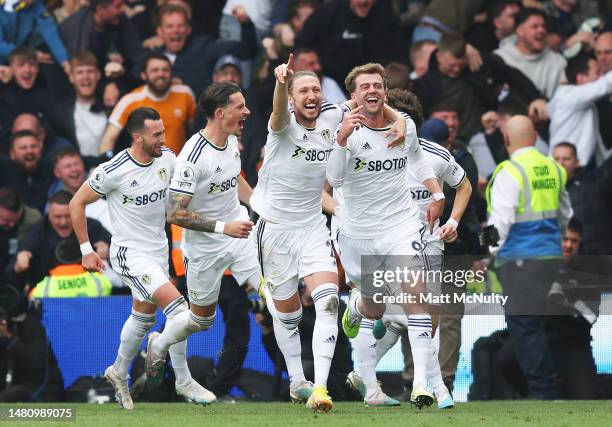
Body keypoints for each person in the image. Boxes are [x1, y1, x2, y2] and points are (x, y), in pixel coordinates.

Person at [69, 107, 213, 409]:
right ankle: (183, 380)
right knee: (179, 311)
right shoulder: (114, 169)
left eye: (163, 131)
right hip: (129, 254)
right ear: (137, 137)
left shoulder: (168, 159)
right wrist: (86, 250)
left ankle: (118, 372)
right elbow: (76, 202)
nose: (163, 138)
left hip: (158, 251)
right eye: (156, 134)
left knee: (144, 317)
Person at [326, 62, 445, 408]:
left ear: (384, 91)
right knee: (374, 309)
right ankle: (358, 308)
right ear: (354, 95)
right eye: (365, 87)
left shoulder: (403, 125)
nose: (372, 91)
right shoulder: (344, 127)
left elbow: (419, 163)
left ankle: (422, 384)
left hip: (399, 225)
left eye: (377, 85)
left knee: (416, 292)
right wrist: (342, 140)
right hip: (358, 232)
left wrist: (436, 193)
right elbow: (335, 179)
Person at [345, 88, 472, 409]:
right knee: (413, 314)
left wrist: (453, 221)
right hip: (386, 242)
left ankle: (365, 368)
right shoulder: (368, 152)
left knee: (422, 319)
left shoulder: (434, 155)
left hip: (429, 246)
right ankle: (432, 388)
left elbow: (465, 185)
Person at [249, 54, 353, 412]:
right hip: (275, 231)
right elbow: (278, 112)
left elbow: (368, 100)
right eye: (303, 91)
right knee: (288, 315)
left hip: (311, 227)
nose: (312, 95)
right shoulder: (281, 125)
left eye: (316, 89)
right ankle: (296, 380)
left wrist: (394, 118)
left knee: (327, 300)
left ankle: (320, 387)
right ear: (292, 98)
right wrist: (280, 82)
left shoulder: (331, 115)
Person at [145, 82, 260, 400]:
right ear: (221, 113)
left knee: (273, 291)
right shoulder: (192, 156)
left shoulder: (233, 141)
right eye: (240, 106)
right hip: (207, 247)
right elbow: (175, 214)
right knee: (201, 320)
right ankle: (161, 343)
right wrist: (225, 227)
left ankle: (303, 384)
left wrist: (260, 206)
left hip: (239, 238)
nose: (247, 112)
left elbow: (233, 178)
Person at [486, 115, 573, 399]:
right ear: (535, 137)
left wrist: (488, 255)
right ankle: (545, 385)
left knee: (524, 326)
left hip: (519, 260)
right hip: (550, 257)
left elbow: (500, 223)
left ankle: (544, 389)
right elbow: (565, 215)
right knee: (533, 324)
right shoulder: (554, 168)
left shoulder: (510, 171)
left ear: (507, 140)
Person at [6, 190, 110, 294]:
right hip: (48, 300)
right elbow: (11, 277)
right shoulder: (37, 232)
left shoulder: (92, 227)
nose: (63, 222)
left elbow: (122, 254)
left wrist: (109, 252)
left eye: (68, 216)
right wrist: (18, 266)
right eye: (58, 217)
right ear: (49, 214)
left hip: (87, 298)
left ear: (77, 213)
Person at [99, 52, 196, 156]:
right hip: (143, 168)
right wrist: (108, 166)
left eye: (165, 70)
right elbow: (108, 139)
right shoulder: (130, 100)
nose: (161, 74)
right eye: (155, 70)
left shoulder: (185, 94)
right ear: (143, 75)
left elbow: (197, 131)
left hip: (177, 166)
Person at [153, 3, 257, 96]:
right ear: (160, 31)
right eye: (170, 26)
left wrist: (246, 24)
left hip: (203, 113)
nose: (176, 30)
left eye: (180, 26)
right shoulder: (153, 58)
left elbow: (246, 50)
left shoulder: (204, 47)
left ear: (188, 29)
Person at [548, 51, 612, 166]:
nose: (602, 75)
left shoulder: (569, 96)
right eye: (597, 72)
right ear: (581, 78)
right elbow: (605, 84)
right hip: (564, 168)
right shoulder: (569, 95)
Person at [494, 8, 567, 99]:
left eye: (544, 26)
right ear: (519, 31)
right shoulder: (499, 58)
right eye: (535, 26)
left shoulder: (558, 62)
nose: (541, 30)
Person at [52, 51, 108, 166]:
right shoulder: (60, 114)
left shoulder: (111, 108)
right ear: (71, 77)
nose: (86, 76)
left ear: (98, 75)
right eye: (80, 72)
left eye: (90, 71)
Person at [0, 129, 52, 213]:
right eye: (23, 148)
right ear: (12, 154)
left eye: (33, 146)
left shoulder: (52, 170)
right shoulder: (5, 171)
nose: (30, 151)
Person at [0, 187, 41, 279]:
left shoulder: (34, 219)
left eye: (16, 220)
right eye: (6, 220)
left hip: (24, 271)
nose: (11, 224)